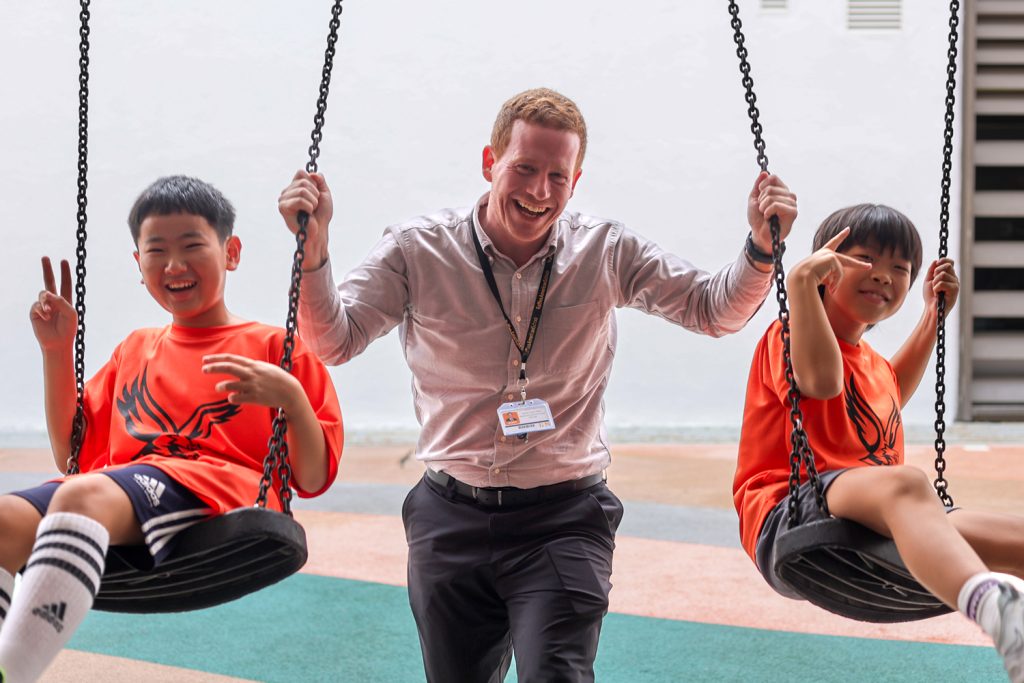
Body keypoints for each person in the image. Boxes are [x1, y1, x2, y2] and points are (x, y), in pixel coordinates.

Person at [278, 87, 797, 682]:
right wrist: (313, 256)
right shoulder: (417, 250)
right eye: (524, 168)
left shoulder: (605, 250)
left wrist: (761, 247)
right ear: (489, 162)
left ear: (576, 181)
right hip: (449, 516)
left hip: (565, 515)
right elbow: (332, 343)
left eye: (558, 174)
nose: (539, 190)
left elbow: (714, 309)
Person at [0, 176, 344, 683]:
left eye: (191, 246)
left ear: (231, 252)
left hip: (218, 490)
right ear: (139, 266)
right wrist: (57, 351)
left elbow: (311, 477)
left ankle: (13, 670)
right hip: (126, 488)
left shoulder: (275, 348)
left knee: (83, 499)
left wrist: (290, 397)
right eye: (156, 250)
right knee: (5, 519)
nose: (174, 266)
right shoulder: (136, 348)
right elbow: (68, 452)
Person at [733, 204, 1024, 682]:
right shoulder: (787, 333)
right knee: (906, 484)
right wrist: (801, 286)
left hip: (878, 513)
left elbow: (893, 389)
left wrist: (933, 315)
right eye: (865, 259)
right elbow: (823, 381)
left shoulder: (873, 365)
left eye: (900, 268)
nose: (884, 276)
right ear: (827, 264)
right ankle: (997, 611)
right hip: (792, 514)